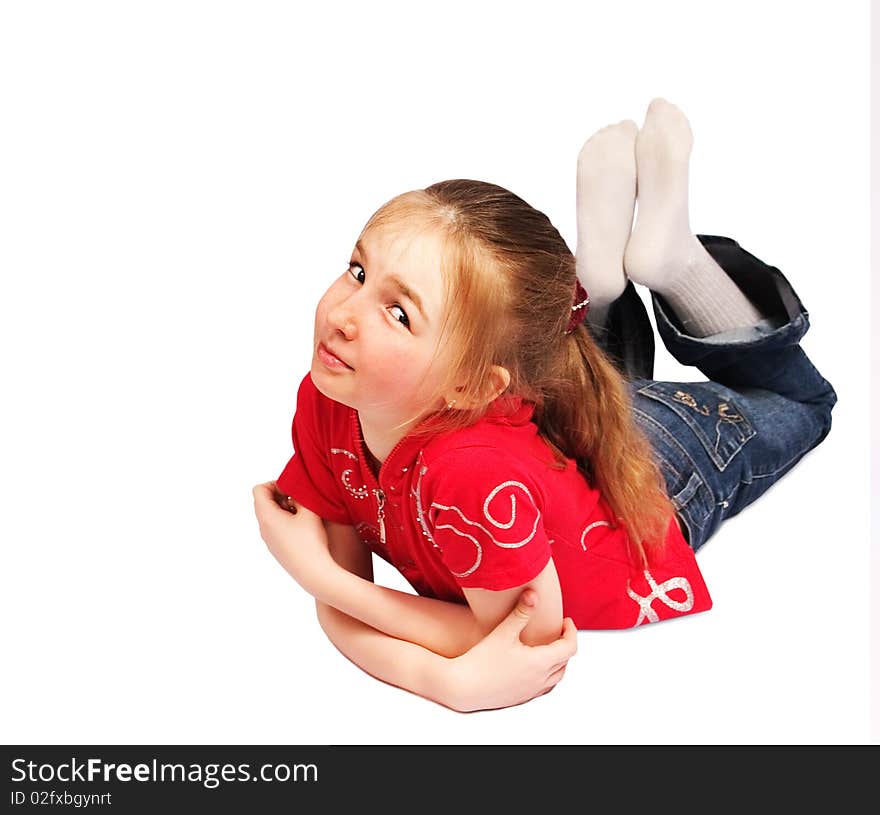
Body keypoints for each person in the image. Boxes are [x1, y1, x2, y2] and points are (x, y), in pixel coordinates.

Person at [252, 98, 836, 713]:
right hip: (559, 432)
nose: (343, 317)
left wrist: (317, 576)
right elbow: (358, 603)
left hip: (653, 474)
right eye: (357, 271)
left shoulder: (468, 476)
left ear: (473, 387)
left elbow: (526, 643)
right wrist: (437, 674)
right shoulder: (332, 394)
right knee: (593, 381)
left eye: (399, 313)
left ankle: (675, 264)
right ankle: (598, 291)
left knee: (803, 402)